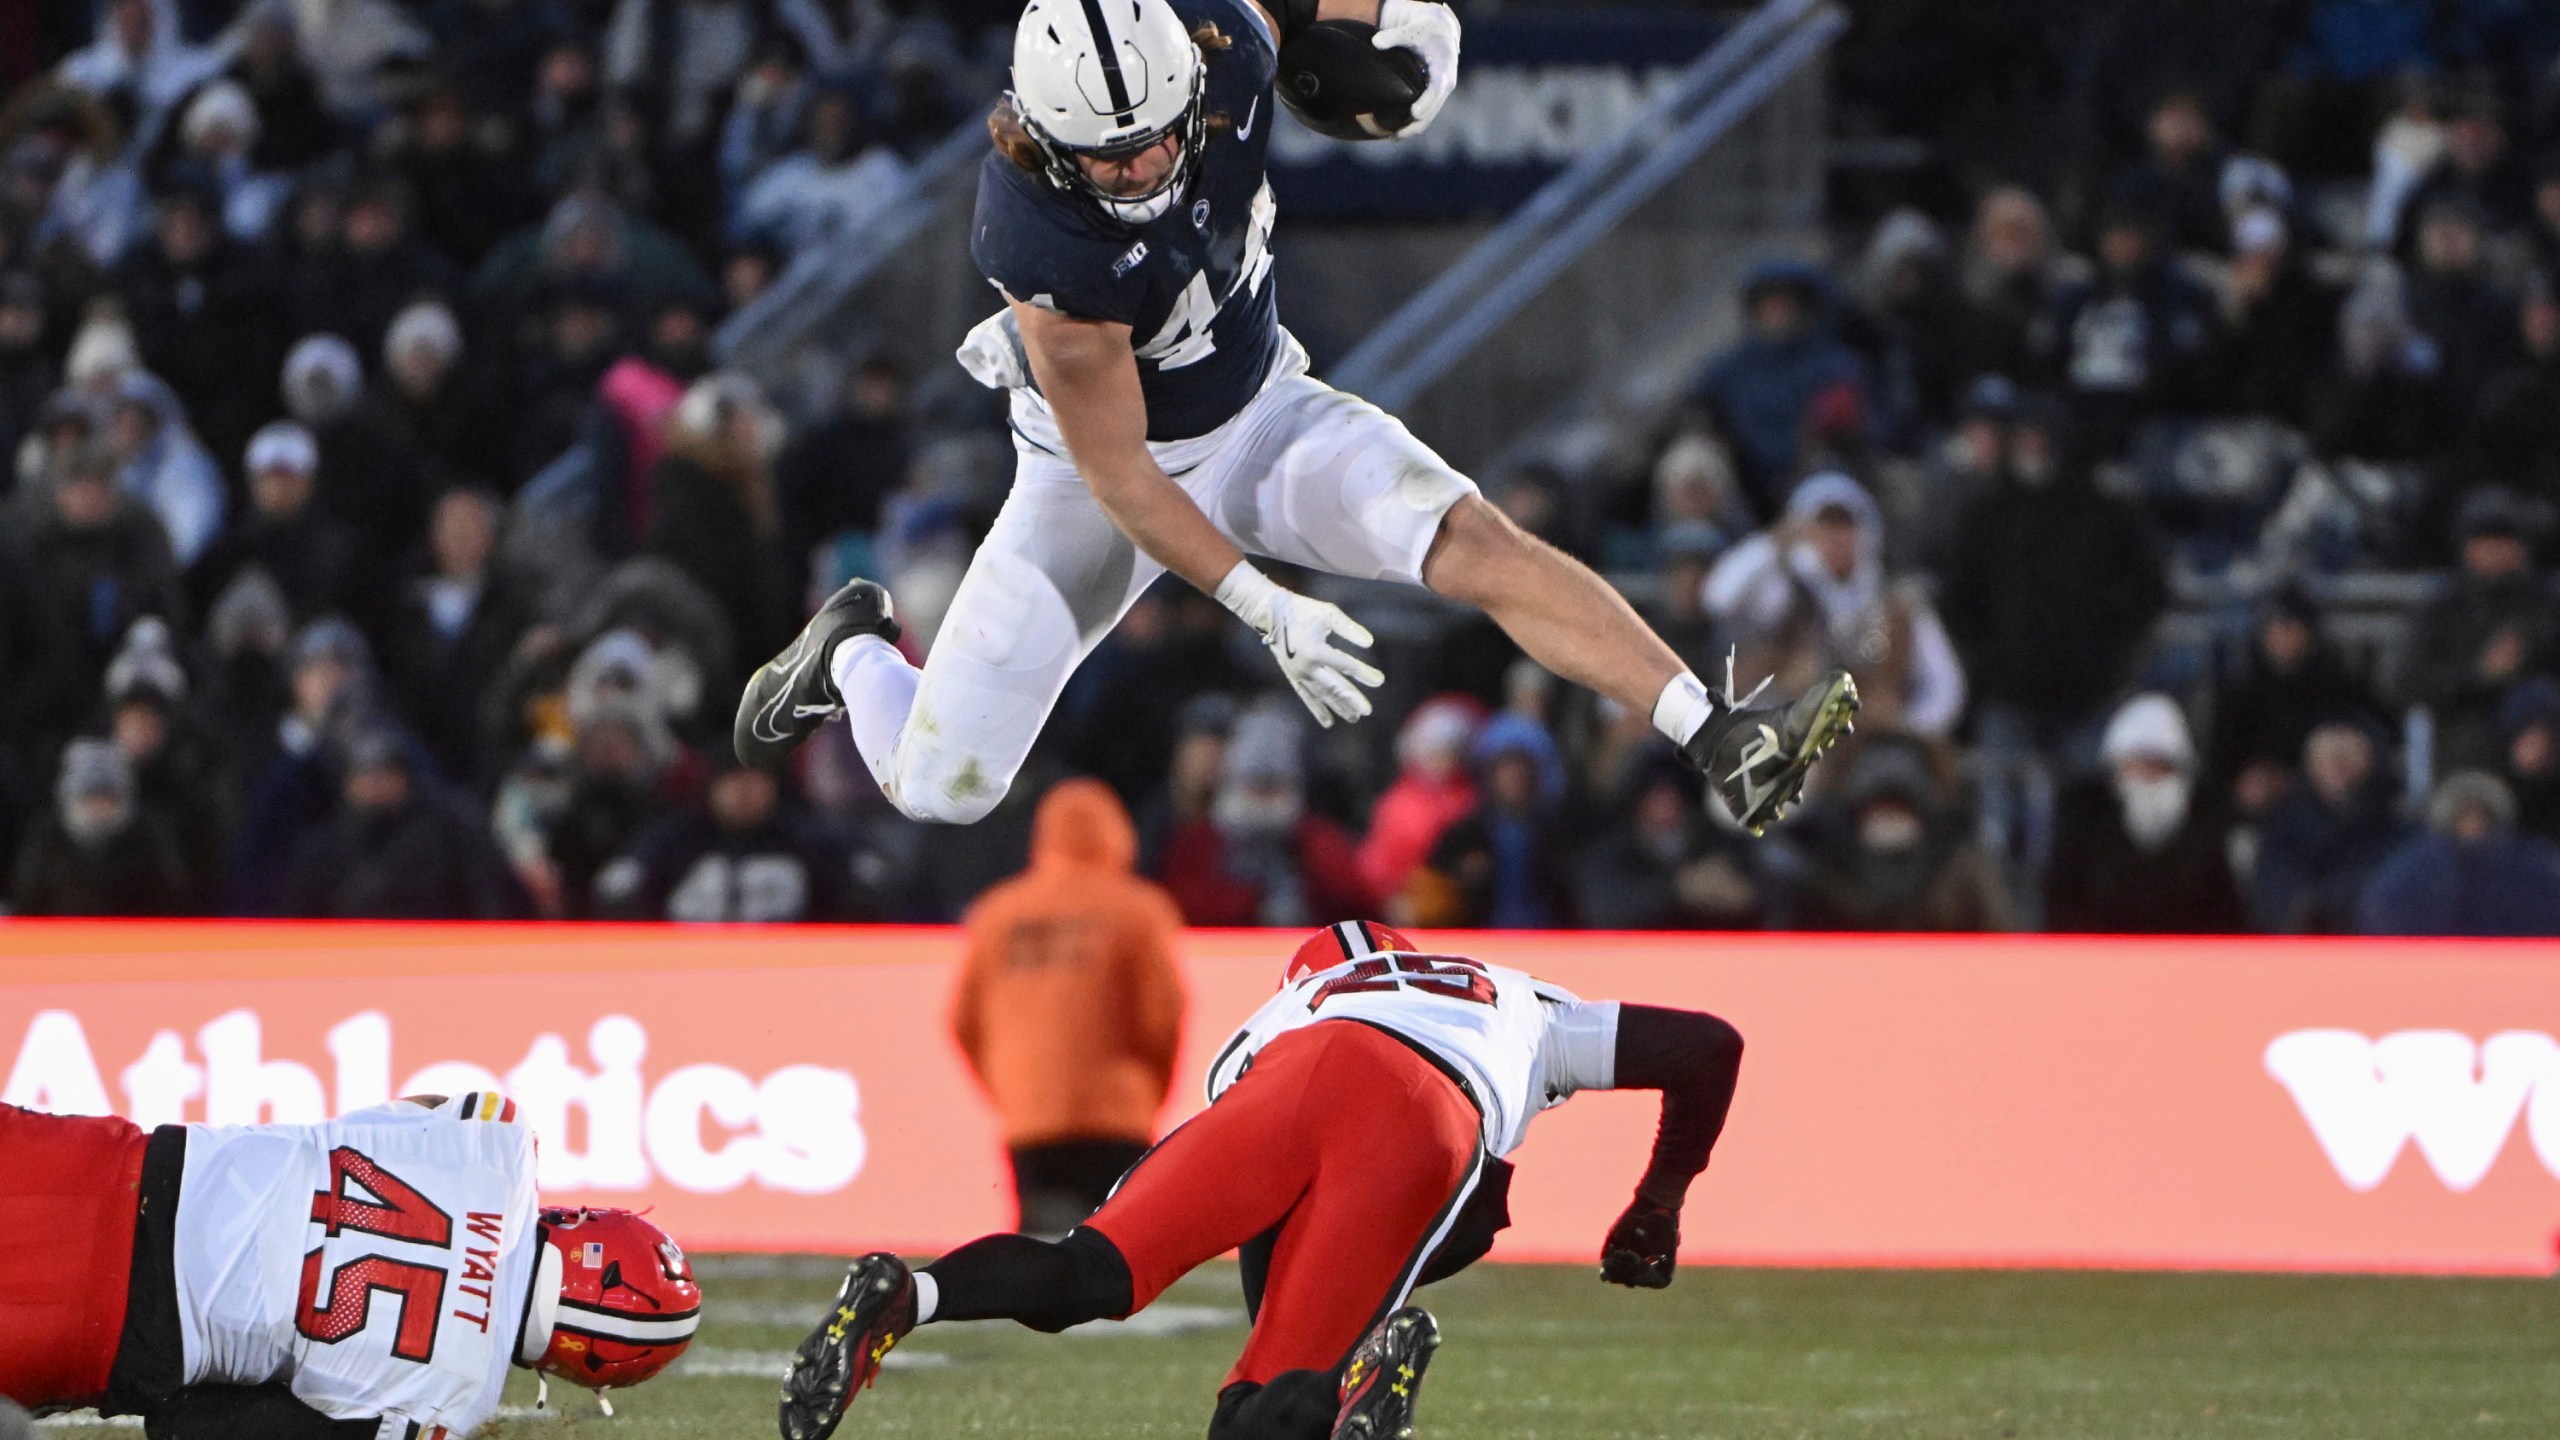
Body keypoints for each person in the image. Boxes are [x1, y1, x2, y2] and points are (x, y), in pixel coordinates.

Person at [730, 0, 1856, 845]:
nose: (1146, 168)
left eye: (1162, 138)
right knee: (947, 788)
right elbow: (1125, 479)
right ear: (1040, 139)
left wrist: (1408, 27)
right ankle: (857, 652)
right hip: (1101, 476)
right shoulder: (1036, 236)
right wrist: (1266, 606)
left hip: (1261, 406)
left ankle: (1716, 734)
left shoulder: (1222, 38)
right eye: (1110, 158)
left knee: (1472, 540)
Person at [778, 921, 1747, 1440]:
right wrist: (1656, 1201)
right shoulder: (1518, 994)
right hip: (1432, 1106)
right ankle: (1345, 1387)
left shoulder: (1279, 1013)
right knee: (1264, 1403)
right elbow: (1709, 1046)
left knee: (1087, 1272)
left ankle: (912, 1293)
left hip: (1286, 1080)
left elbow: (1260, 1228)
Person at [0, 1094, 696, 1432]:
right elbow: (205, 1429)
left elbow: (408, 1110)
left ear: (584, 1229)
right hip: (102, 1333)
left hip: (107, 1168)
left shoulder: (501, 1141)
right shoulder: (450, 1405)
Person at [956, 779, 1187, 1236]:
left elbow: (963, 1022)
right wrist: (1150, 1093)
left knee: (1038, 1254)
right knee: (1119, 1254)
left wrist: (1010, 1089)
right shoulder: (1138, 910)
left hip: (1028, 1115)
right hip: (1119, 1113)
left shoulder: (996, 913)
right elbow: (1163, 1017)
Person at [2046, 693, 2244, 935]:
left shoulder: (2205, 831)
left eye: (2160, 766)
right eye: (2140, 764)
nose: (2149, 777)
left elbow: (2224, 915)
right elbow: (2064, 907)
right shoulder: (2085, 825)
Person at [2359, 771, 2560, 937]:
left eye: (2481, 815)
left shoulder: (2530, 865)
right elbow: (2384, 910)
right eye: (2464, 815)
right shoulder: (2416, 865)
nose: (2473, 824)